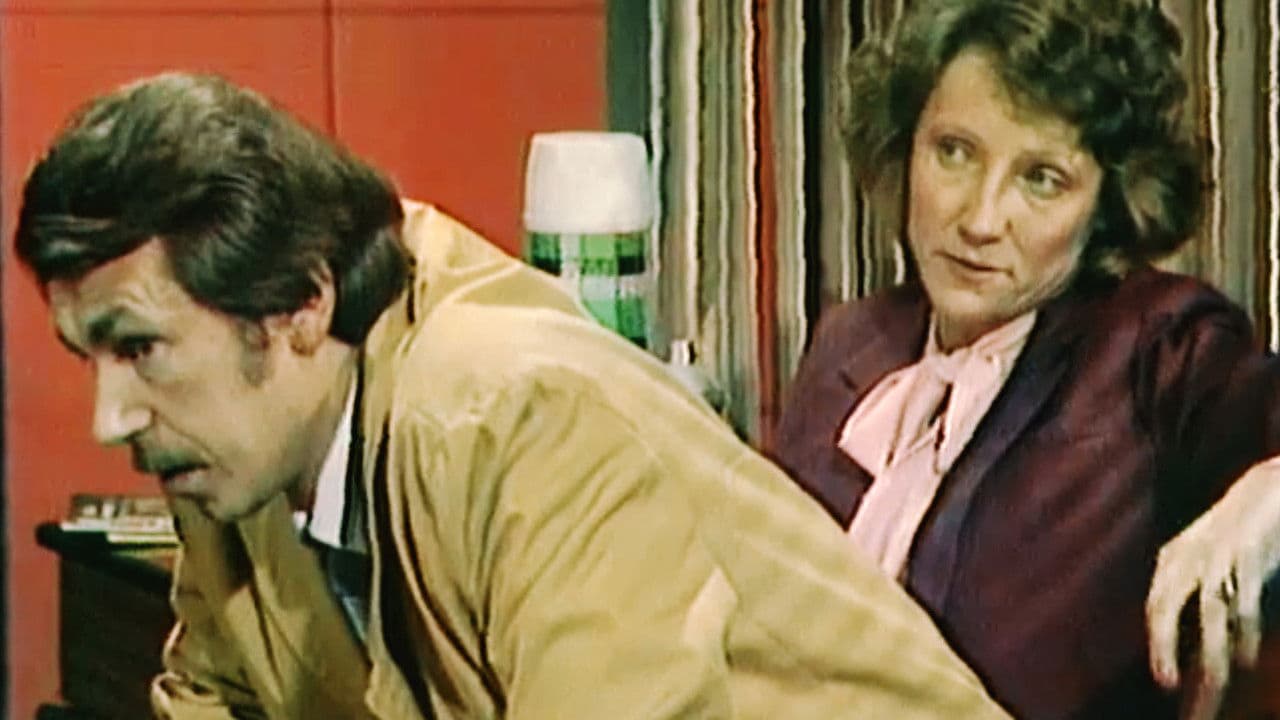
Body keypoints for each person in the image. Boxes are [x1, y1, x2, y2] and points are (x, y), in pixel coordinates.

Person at [14, 73, 1011, 719]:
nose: (112, 418)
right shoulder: (238, 452)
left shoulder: (515, 411)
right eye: (90, 358)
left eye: (140, 349)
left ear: (301, 305)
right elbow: (211, 696)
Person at [769, 1, 1280, 718]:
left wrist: (1271, 492)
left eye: (1042, 178)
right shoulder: (849, 344)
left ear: (1108, 201)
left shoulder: (1161, 345)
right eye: (954, 151)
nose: (979, 219)